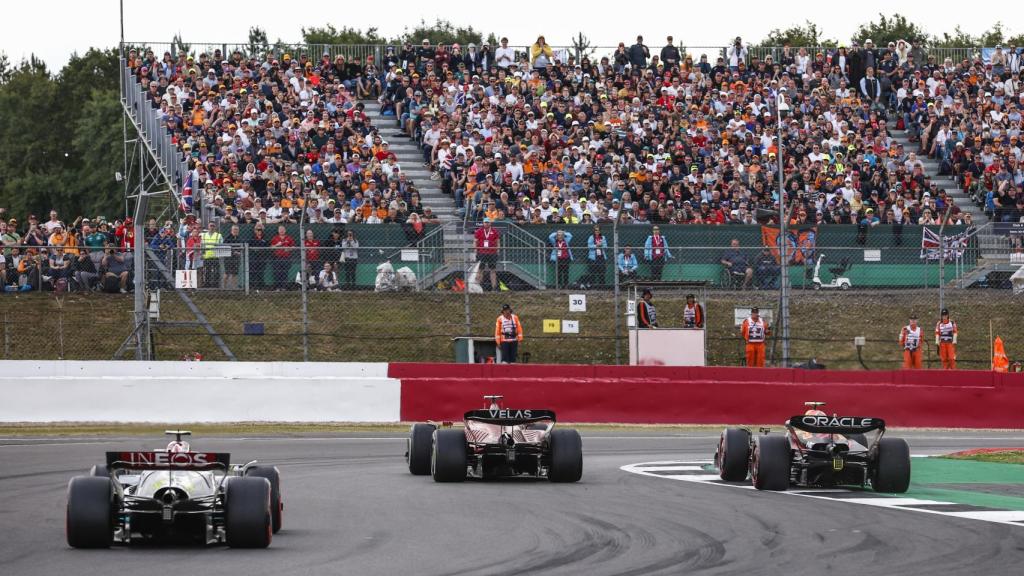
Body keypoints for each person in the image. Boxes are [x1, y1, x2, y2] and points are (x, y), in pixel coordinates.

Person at [474, 217, 499, 291]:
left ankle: (494, 288)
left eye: (488, 222)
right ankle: (478, 287)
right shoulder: (479, 231)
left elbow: (497, 242)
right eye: (485, 222)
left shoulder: (494, 231)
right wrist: (476, 251)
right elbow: (475, 242)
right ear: (483, 223)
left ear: (490, 223)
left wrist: (497, 251)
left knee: (493, 271)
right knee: (480, 270)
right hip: (482, 253)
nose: (486, 223)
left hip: (492, 253)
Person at [269, 225, 295, 290]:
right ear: (278, 231)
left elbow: (293, 247)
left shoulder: (289, 238)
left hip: (286, 258)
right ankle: (277, 287)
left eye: (283, 229)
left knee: (285, 272)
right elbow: (271, 248)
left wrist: (289, 249)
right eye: (280, 229)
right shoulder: (275, 238)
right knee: (277, 272)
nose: (281, 230)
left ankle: (284, 287)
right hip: (277, 258)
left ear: (285, 230)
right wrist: (277, 245)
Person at [200, 221, 223, 288]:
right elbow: (202, 246)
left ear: (215, 227)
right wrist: (202, 254)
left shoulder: (219, 235)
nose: (212, 227)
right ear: (208, 226)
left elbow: (221, 245)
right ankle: (207, 284)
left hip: (216, 256)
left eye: (213, 226)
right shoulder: (203, 235)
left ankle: (215, 284)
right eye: (211, 226)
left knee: (216, 271)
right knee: (207, 271)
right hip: (206, 256)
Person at [583, 225, 607, 289]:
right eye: (596, 230)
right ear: (594, 231)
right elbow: (589, 246)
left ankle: (602, 286)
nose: (597, 231)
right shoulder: (591, 237)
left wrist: (601, 245)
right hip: (593, 258)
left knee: (602, 273)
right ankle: (592, 286)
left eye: (598, 230)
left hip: (601, 257)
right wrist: (596, 245)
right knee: (592, 272)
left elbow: (605, 246)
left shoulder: (603, 237)